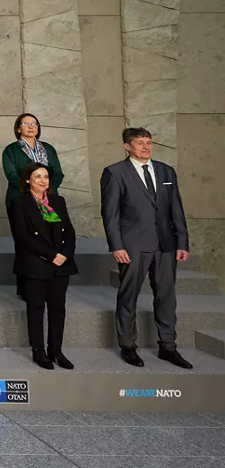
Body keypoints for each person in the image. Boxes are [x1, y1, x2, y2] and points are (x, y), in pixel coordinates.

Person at [100, 127, 192, 369]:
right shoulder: (115, 172)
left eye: (149, 142)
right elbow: (110, 214)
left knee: (166, 296)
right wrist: (116, 245)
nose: (146, 147)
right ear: (127, 146)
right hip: (132, 246)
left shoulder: (166, 171)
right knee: (129, 295)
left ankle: (168, 346)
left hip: (166, 244)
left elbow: (176, 210)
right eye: (139, 142)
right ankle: (128, 346)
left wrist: (182, 241)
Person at [9, 162, 77, 370]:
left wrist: (64, 255)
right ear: (28, 179)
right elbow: (23, 236)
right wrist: (50, 255)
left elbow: (70, 232)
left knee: (58, 310)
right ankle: (38, 350)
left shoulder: (58, 200)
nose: (42, 180)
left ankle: (56, 350)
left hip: (60, 264)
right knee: (36, 309)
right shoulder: (19, 203)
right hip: (35, 263)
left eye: (46, 176)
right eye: (38, 176)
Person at [2, 113, 65, 299]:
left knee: (49, 240)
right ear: (18, 128)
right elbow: (11, 174)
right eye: (26, 124)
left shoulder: (48, 149)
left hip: (47, 199)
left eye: (34, 124)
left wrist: (45, 191)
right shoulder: (11, 150)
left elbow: (58, 174)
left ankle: (48, 281)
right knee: (25, 242)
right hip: (20, 200)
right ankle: (24, 288)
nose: (31, 127)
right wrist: (30, 192)